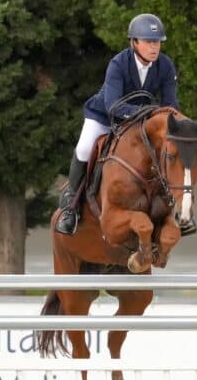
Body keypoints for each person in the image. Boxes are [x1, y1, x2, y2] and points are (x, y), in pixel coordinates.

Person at [55, 13, 180, 236]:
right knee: (84, 148)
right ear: (134, 42)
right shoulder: (118, 64)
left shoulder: (165, 66)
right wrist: (146, 113)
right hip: (104, 117)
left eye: (158, 42)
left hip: (140, 122)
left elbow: (171, 105)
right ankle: (71, 206)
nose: (154, 47)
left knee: (167, 151)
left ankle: (178, 208)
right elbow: (113, 106)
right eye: (149, 42)